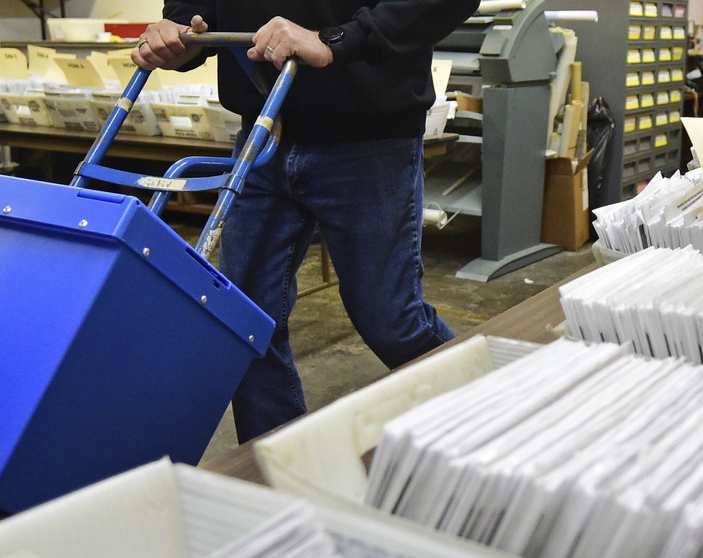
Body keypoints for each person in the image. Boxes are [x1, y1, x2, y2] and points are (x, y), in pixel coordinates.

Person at [135, 0, 477, 442]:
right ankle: (279, 468)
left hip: (369, 137)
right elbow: (197, 9)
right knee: (244, 325)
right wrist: (181, 31)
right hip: (263, 132)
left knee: (392, 323)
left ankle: (495, 431)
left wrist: (336, 38)